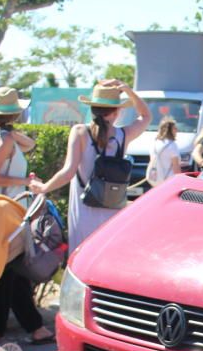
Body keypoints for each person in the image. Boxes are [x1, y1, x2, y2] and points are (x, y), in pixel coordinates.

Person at [29, 79, 151, 254]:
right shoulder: (123, 135)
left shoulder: (80, 132)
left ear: (92, 108)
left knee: (81, 260)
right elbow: (146, 116)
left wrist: (43, 188)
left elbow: (68, 171)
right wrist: (128, 90)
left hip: (84, 211)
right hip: (112, 211)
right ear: (116, 112)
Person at [0, 87, 54, 344]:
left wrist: (11, 133)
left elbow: (30, 144)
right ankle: (23, 327)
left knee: (7, 271)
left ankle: (1, 327)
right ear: (16, 113)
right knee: (11, 270)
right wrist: (24, 180)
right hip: (6, 210)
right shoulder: (5, 139)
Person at [146, 116, 180, 187]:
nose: (177, 130)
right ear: (169, 130)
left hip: (155, 178)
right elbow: (175, 167)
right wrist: (180, 181)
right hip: (169, 180)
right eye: (175, 128)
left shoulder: (154, 143)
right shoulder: (172, 145)